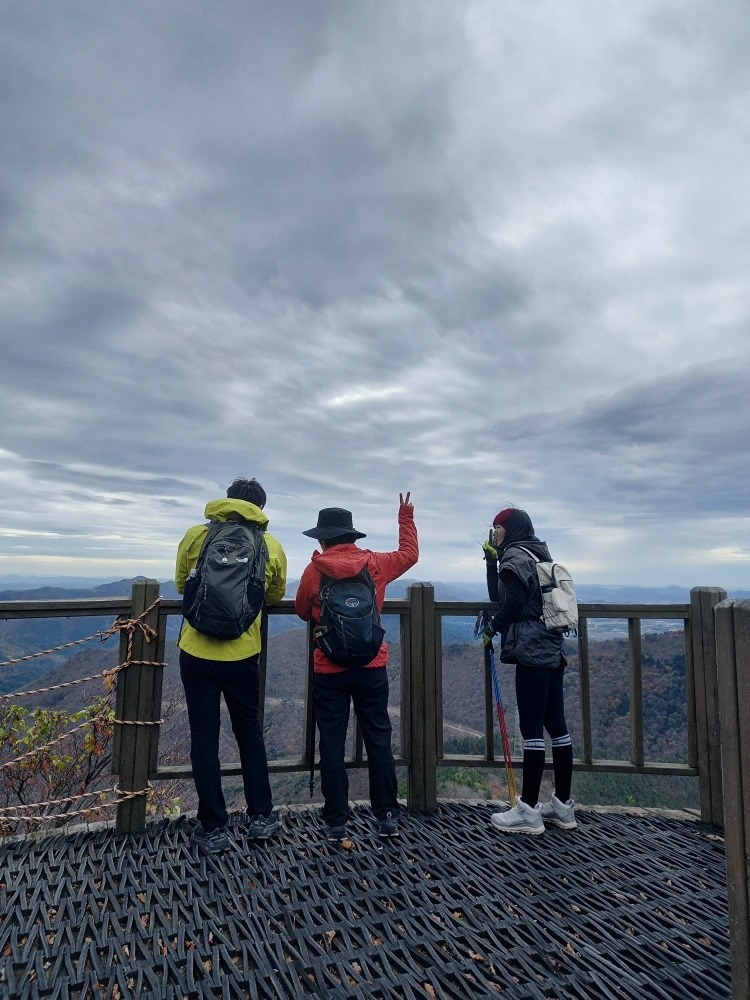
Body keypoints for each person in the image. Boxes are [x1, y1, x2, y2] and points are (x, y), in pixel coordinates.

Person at [295, 494, 418, 842]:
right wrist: (405, 515)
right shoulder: (374, 564)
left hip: (329, 666)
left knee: (332, 741)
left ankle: (336, 821)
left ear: (322, 538)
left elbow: (304, 611)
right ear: (351, 535)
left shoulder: (313, 570)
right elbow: (410, 554)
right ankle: (387, 816)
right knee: (378, 736)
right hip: (371, 663)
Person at [175, 477, 287, 853]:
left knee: (204, 736)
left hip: (196, 652)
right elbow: (274, 594)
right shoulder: (269, 545)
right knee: (249, 734)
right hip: (243, 654)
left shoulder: (197, 536)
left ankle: (212, 827)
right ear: (261, 507)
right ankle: (261, 817)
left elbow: (180, 585)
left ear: (227, 501)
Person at [482, 506, 576, 835]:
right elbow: (504, 594)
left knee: (532, 729)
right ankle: (563, 807)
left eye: (499, 528)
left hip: (531, 651)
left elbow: (511, 603)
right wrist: (491, 560)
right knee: (557, 727)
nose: (496, 533)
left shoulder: (515, 559)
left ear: (512, 528)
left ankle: (529, 811)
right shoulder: (537, 554)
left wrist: (492, 628)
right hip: (552, 648)